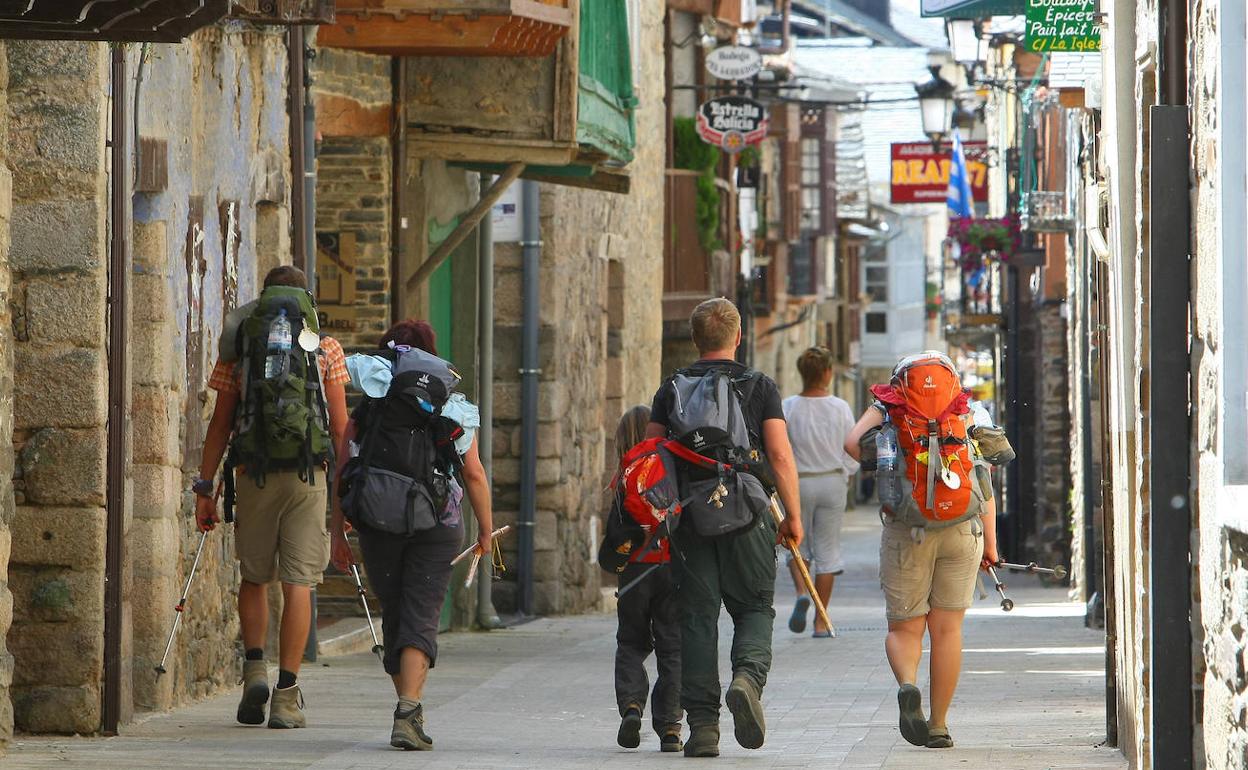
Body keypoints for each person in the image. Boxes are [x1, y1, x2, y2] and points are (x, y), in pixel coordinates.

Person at [645, 297, 804, 758]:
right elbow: (779, 454)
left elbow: (649, 458)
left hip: (690, 519)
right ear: (738, 337)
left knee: (696, 620)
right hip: (748, 512)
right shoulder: (759, 386)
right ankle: (746, 679)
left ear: (696, 340)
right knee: (754, 608)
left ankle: (702, 729)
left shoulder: (671, 386)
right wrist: (793, 515)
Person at [195, 265, 350, 729]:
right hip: (307, 476)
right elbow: (341, 429)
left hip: (253, 474)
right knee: (299, 582)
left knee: (255, 577)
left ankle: (254, 670)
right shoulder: (325, 347)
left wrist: (206, 488)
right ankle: (286, 695)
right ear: (306, 297)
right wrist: (346, 494)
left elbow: (220, 424)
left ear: (262, 297)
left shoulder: (241, 344)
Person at [329, 319, 493, 752]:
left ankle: (407, 706)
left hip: (377, 521)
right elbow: (473, 474)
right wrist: (487, 532)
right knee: (422, 612)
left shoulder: (372, 407)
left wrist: (337, 530)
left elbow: (344, 467)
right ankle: (408, 710)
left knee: (397, 611)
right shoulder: (450, 402)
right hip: (437, 524)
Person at [844, 351, 999, 750]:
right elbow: (983, 476)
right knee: (947, 630)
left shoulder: (889, 406)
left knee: (904, 628)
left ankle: (908, 684)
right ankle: (939, 725)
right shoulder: (967, 407)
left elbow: (849, 443)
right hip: (963, 527)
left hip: (907, 527)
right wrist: (991, 545)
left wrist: (884, 459)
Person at [610, 405, 683, 753]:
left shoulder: (623, 475)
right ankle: (670, 727)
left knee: (631, 643)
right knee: (673, 647)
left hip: (635, 572)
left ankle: (632, 706)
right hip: (671, 567)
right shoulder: (671, 466)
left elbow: (613, 540)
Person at [781, 347, 859, 638]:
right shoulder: (840, 407)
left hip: (798, 482)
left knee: (796, 544)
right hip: (831, 482)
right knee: (828, 551)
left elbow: (780, 450)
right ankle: (820, 621)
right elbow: (852, 447)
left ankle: (802, 591)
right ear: (827, 373)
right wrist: (846, 473)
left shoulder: (788, 407)